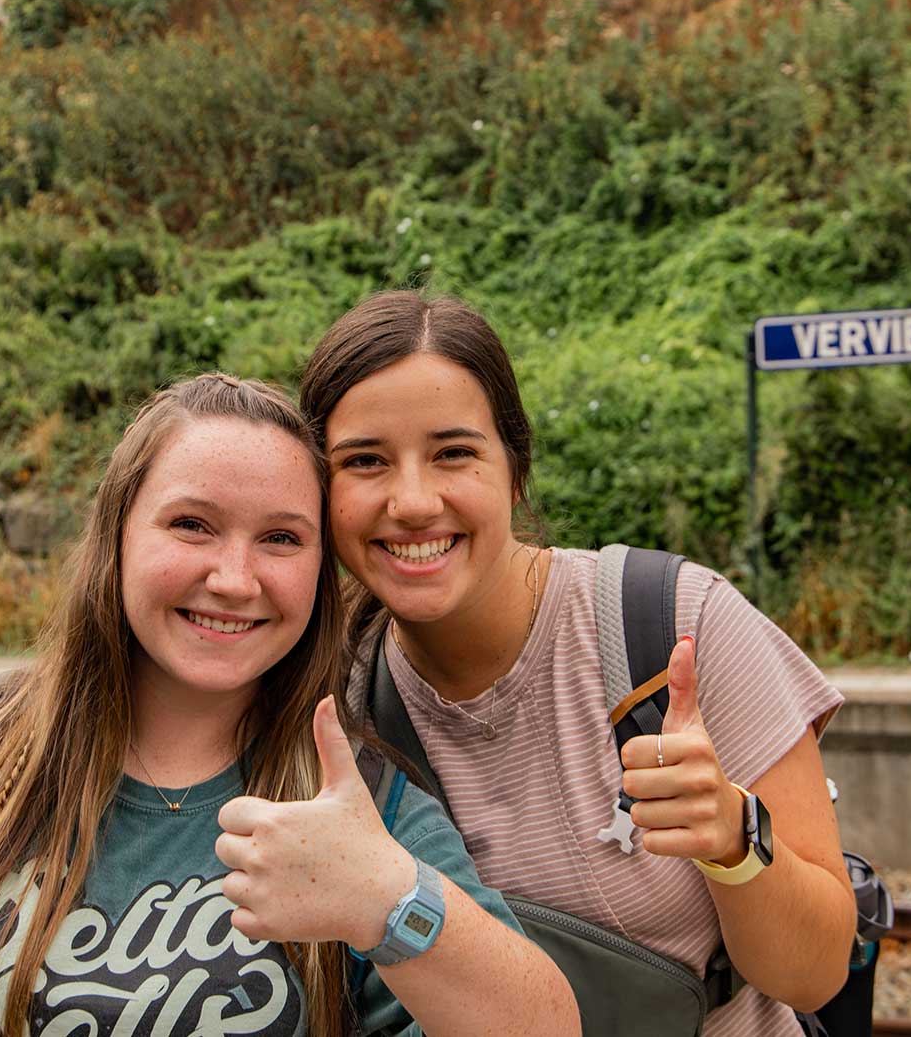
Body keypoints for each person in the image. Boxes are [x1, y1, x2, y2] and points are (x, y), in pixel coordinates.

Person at [0, 373, 578, 1037]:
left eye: (282, 538)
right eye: (192, 524)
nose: (234, 577)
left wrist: (389, 898)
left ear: (320, 574)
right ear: (117, 536)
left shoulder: (353, 805)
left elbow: (544, 1024)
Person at [299, 293, 858, 1036]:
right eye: (365, 461)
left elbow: (817, 973)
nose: (412, 500)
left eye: (454, 452)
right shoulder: (337, 700)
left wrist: (730, 836)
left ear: (515, 468)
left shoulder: (675, 624)